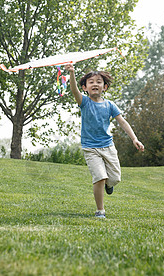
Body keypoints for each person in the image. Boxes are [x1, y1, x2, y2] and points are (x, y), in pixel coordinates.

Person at [65, 64, 144, 218]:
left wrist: (134, 139)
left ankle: (109, 185)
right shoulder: (85, 102)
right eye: (91, 82)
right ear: (85, 87)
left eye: (99, 81)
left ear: (105, 87)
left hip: (108, 146)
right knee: (99, 177)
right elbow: (74, 90)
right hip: (90, 148)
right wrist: (72, 73)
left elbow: (122, 122)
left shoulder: (109, 105)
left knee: (115, 178)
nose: (95, 84)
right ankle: (100, 210)